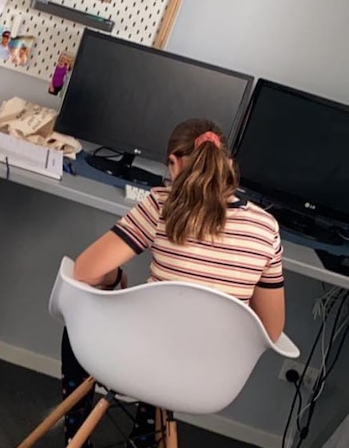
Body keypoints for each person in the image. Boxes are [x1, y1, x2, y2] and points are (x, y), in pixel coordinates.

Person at [60, 118, 285, 447]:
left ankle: (76, 434)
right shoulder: (266, 229)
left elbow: (85, 271)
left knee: (79, 316)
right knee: (176, 338)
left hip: (137, 359)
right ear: (228, 165)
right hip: (208, 379)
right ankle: (144, 439)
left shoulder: (162, 205)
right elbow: (272, 329)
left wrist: (114, 280)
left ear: (174, 164)